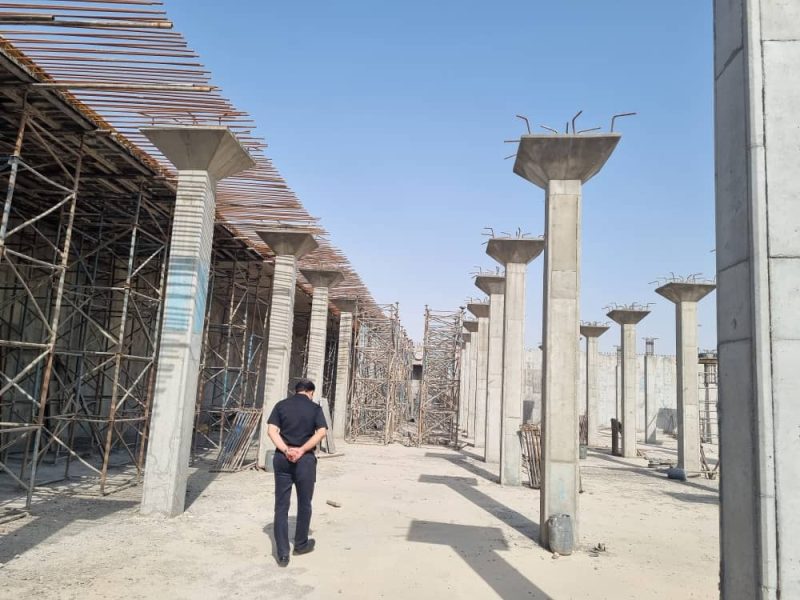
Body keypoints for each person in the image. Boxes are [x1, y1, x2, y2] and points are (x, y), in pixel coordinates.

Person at [267, 378, 328, 567]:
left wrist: (286, 450)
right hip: (305, 460)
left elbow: (271, 431)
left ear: (296, 391)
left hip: (282, 459)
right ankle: (301, 544)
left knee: (281, 505)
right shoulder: (315, 408)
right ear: (310, 392)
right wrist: (301, 450)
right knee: (304, 503)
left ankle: (282, 553)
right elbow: (322, 432)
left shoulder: (281, 405)